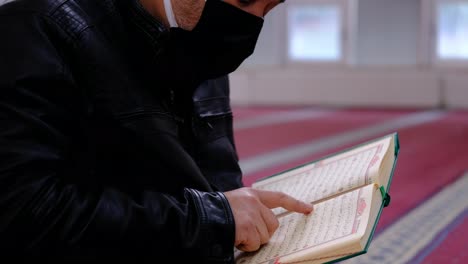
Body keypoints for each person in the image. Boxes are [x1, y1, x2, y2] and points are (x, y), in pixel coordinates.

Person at [0, 0, 312, 262]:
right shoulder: (34, 30)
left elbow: (218, 188)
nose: (251, 19)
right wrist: (211, 220)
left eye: (269, 6)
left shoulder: (204, 54)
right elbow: (25, 212)